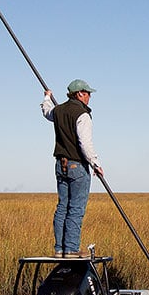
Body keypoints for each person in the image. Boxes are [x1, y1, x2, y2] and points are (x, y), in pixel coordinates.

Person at [41, 79, 103, 258]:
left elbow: (47, 112)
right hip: (77, 165)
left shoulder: (58, 110)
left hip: (61, 165)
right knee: (76, 208)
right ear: (80, 94)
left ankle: (60, 249)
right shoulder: (82, 114)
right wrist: (96, 164)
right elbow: (85, 143)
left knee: (62, 207)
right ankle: (71, 249)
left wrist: (47, 98)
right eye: (88, 93)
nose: (90, 97)